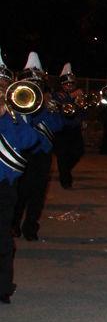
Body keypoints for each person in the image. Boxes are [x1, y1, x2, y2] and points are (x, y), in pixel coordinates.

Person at [0, 50, 40, 304]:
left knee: (2, 237)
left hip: (5, 183)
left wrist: (10, 116)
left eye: (3, 86)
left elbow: (29, 140)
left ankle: (3, 287)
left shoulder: (13, 113)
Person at [11, 52, 64, 241]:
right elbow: (28, 123)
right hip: (25, 152)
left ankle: (30, 227)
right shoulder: (20, 101)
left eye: (38, 85)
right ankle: (14, 224)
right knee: (21, 191)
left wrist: (55, 111)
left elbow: (57, 126)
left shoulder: (46, 102)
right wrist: (43, 110)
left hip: (44, 152)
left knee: (39, 192)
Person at [51, 63, 86, 189]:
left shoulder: (75, 96)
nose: (70, 86)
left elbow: (83, 114)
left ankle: (65, 171)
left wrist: (82, 105)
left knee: (78, 152)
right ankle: (65, 180)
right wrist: (72, 96)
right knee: (63, 155)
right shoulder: (57, 95)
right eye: (67, 84)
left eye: (72, 84)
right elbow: (61, 106)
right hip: (62, 128)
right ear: (62, 85)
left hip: (74, 128)